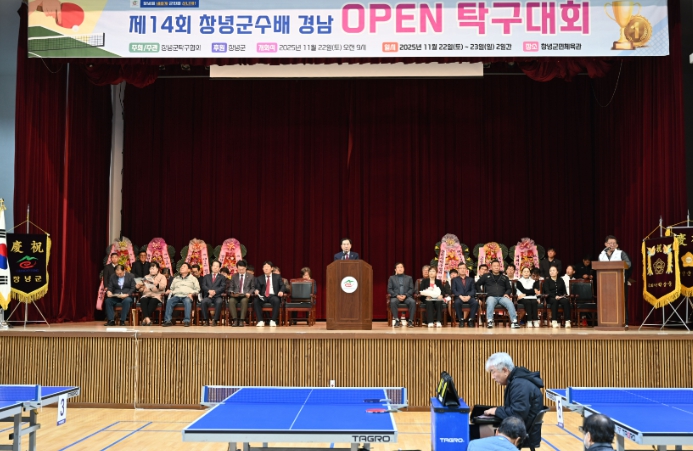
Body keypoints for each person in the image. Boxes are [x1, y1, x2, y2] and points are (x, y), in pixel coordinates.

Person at [483, 352, 544, 449]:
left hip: (521, 433)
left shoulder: (520, 385)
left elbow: (517, 415)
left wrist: (496, 411)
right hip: (521, 428)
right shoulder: (517, 382)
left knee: (478, 431)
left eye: (493, 372)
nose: (492, 377)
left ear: (505, 370)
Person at [476, 260, 520, 329]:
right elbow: (477, 284)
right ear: (491, 267)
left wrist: (506, 293)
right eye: (494, 266)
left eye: (498, 266)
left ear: (500, 267)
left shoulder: (504, 277)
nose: (496, 267)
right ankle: (490, 321)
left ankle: (514, 322)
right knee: (490, 301)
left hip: (502, 297)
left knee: (509, 303)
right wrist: (481, 293)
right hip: (491, 297)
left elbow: (509, 288)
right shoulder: (486, 276)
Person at [162, 262, 200, 327]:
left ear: (189, 270)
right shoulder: (176, 278)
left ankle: (187, 321)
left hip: (187, 296)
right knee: (169, 301)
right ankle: (167, 321)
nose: (182, 268)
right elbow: (172, 288)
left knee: (187, 301)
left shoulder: (193, 279)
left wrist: (192, 294)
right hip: (177, 295)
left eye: (184, 266)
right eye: (181, 267)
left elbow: (197, 289)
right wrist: (170, 291)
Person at [253, 261, 286, 327]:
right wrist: (257, 290)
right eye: (264, 267)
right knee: (256, 301)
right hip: (263, 296)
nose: (266, 268)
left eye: (267, 267)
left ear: (272, 268)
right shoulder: (259, 278)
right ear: (262, 269)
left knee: (276, 300)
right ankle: (260, 321)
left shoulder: (277, 277)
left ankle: (273, 320)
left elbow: (282, 286)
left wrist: (281, 291)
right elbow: (258, 287)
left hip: (273, 295)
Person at [136, 261, 167, 326]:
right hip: (147, 294)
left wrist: (156, 283)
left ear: (157, 269)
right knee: (143, 299)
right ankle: (147, 319)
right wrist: (139, 288)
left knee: (153, 300)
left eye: (153, 268)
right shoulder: (146, 277)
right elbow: (143, 288)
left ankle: (145, 319)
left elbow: (163, 287)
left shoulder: (162, 277)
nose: (151, 270)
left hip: (157, 295)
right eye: (150, 269)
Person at [387, 263, 415, 328]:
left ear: (404, 269)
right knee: (393, 302)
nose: (400, 269)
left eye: (401, 267)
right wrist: (397, 295)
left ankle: (410, 321)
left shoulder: (409, 278)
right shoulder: (392, 278)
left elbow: (411, 289)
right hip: (396, 297)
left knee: (413, 302)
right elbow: (389, 289)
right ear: (395, 269)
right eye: (398, 267)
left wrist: (405, 295)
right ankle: (397, 320)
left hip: (406, 297)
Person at [199, 260, 227, 326]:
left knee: (219, 302)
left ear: (219, 268)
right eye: (214, 266)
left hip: (218, 296)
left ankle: (215, 320)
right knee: (203, 302)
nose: (215, 267)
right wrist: (209, 291)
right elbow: (203, 286)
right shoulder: (206, 276)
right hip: (208, 296)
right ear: (211, 267)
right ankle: (206, 320)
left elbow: (223, 287)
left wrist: (215, 292)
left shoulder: (222, 277)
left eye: (217, 266)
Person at [228, 260, 254, 327]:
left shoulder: (250, 276)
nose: (241, 271)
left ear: (246, 268)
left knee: (244, 301)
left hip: (245, 295)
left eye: (242, 269)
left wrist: (249, 293)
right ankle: (235, 320)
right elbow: (231, 287)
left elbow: (253, 288)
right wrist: (232, 292)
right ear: (237, 268)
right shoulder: (234, 276)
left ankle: (242, 320)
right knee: (231, 301)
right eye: (239, 269)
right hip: (236, 295)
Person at [452, 263, 477, 327]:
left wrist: (469, 296)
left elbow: (473, 290)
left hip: (469, 297)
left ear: (466, 270)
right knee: (457, 303)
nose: (462, 270)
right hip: (459, 297)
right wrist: (460, 296)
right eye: (461, 268)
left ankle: (470, 320)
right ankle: (461, 320)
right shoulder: (454, 280)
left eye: (464, 268)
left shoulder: (470, 279)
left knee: (475, 303)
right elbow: (454, 290)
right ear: (458, 270)